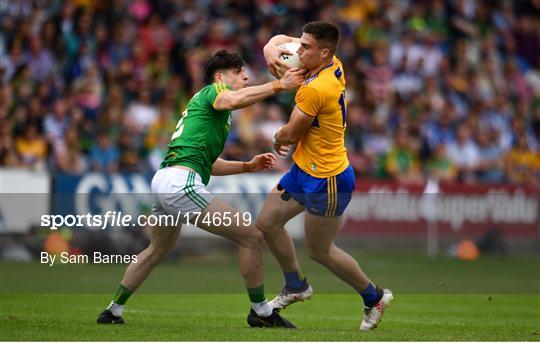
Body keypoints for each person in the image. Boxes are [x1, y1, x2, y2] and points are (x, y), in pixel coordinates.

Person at [97, 50, 305, 328]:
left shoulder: (213, 108)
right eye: (238, 71)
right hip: (180, 184)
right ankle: (261, 312)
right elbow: (232, 99)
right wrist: (279, 85)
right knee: (251, 236)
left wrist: (247, 166)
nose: (245, 76)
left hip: (167, 179)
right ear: (220, 77)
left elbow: (209, 164)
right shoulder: (214, 92)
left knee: (158, 249)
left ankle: (112, 311)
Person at [257, 21, 393, 331]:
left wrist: (277, 138)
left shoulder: (317, 88)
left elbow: (290, 134)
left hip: (328, 179)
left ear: (324, 51)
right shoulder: (330, 64)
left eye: (305, 47)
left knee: (320, 250)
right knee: (267, 223)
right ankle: (295, 285)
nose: (298, 49)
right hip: (305, 169)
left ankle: (374, 297)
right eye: (301, 44)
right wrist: (269, 50)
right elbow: (279, 39)